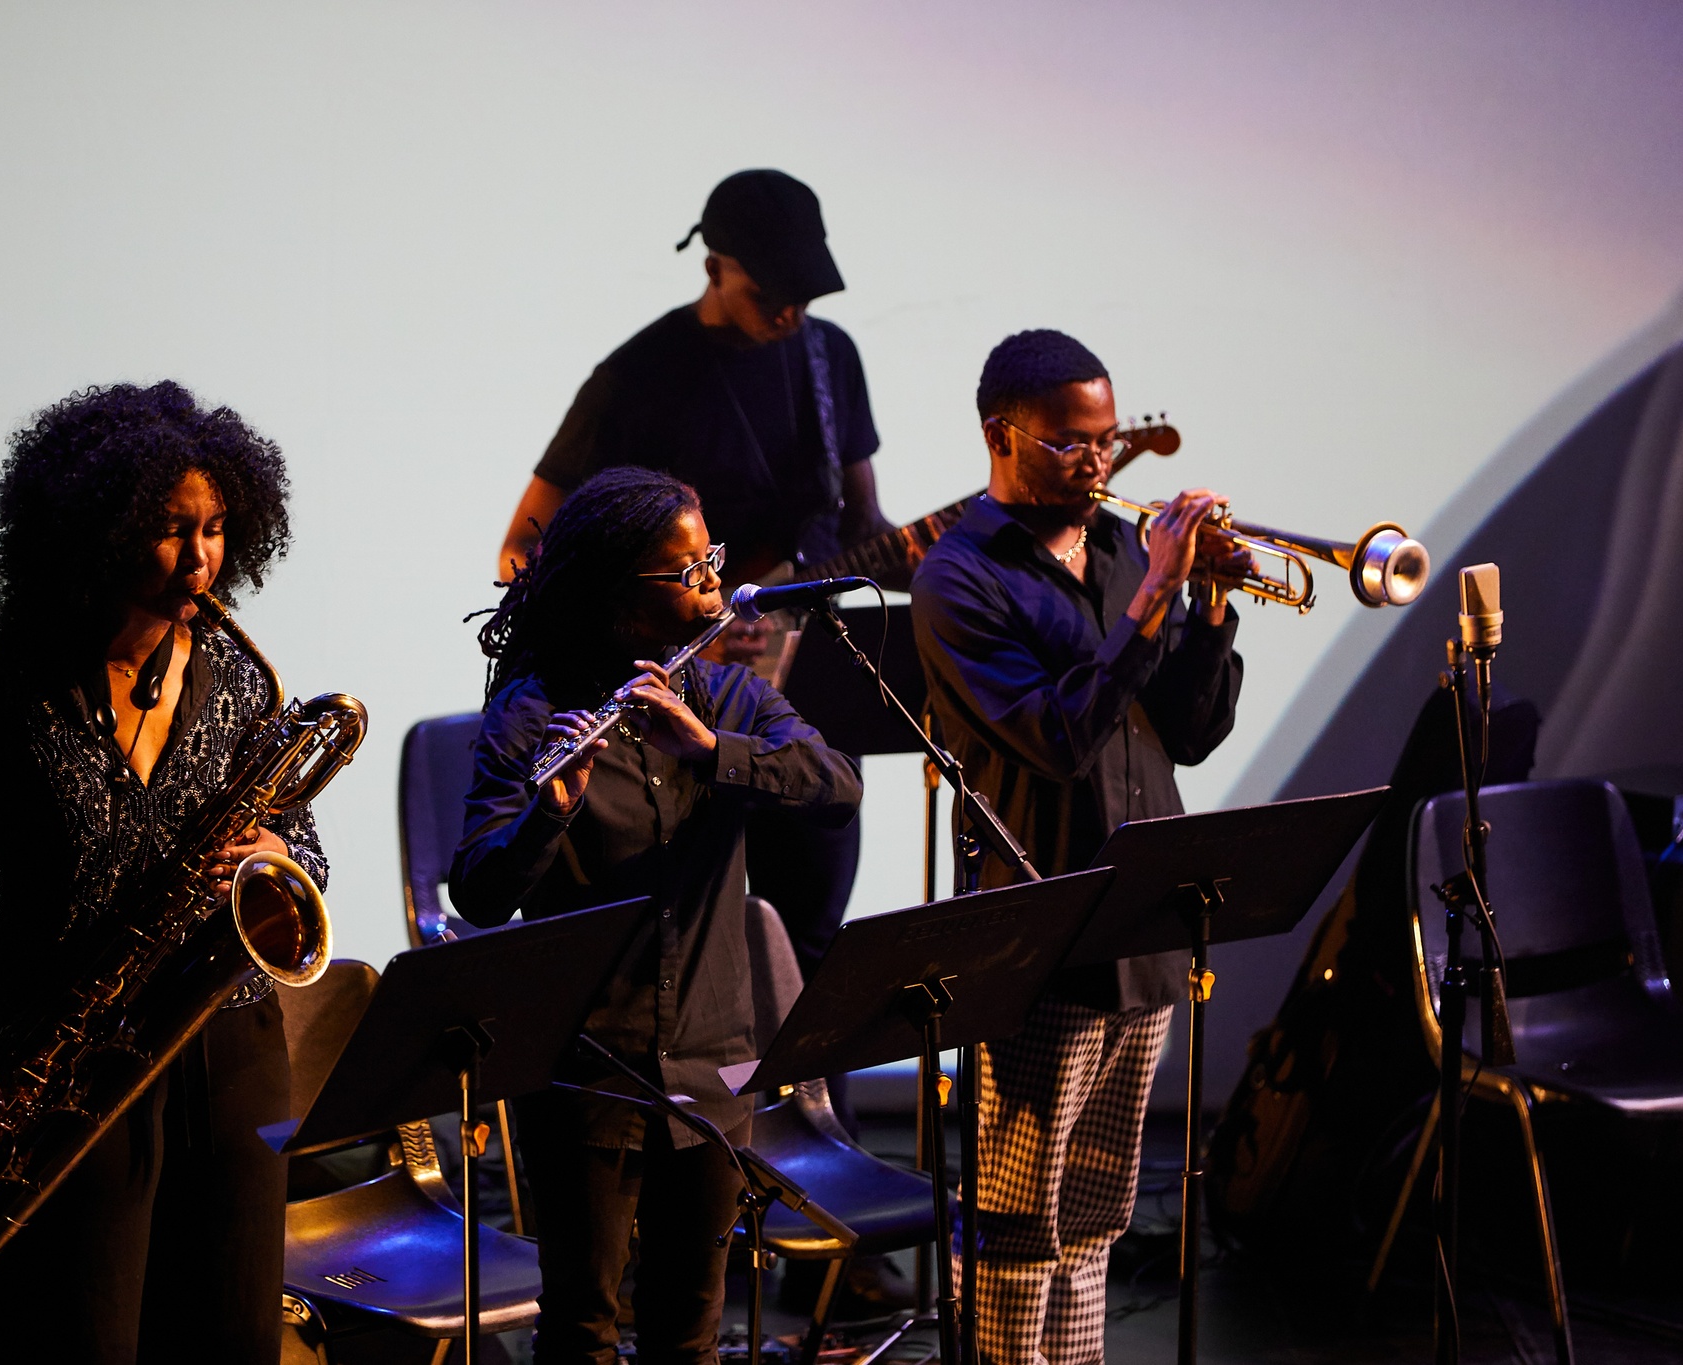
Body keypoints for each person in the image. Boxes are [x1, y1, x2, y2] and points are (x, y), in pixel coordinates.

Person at [0, 381, 326, 1365]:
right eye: (167, 529)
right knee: (73, 1340)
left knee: (231, 1341)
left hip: (230, 1052)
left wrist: (281, 861)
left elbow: (308, 855)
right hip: (60, 1063)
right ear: (92, 531)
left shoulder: (241, 681)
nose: (201, 559)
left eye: (217, 527)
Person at [496, 169, 894, 1149]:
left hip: (787, 706)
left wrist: (928, 557)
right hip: (670, 722)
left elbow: (861, 523)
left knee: (811, 953)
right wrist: (667, 626)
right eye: (772, 294)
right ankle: (670, 1190)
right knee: (681, 965)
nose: (792, 313)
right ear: (716, 266)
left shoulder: (825, 358)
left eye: (807, 294)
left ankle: (808, 1206)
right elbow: (522, 550)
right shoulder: (638, 375)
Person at [452, 466, 863, 1365]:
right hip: (589, 1070)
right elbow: (478, 890)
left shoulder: (727, 698)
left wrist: (714, 753)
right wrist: (546, 812)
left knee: (689, 1333)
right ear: (619, 599)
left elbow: (838, 785)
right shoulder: (530, 714)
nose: (713, 583)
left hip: (715, 1069)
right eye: (688, 571)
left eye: (709, 559)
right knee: (584, 1329)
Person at [909, 330, 1248, 1365]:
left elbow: (1186, 732)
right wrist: (1151, 600)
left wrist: (1209, 605)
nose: (1098, 464)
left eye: (1104, 441)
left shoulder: (1111, 549)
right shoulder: (958, 579)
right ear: (998, 437)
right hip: (1040, 940)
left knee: (1097, 1207)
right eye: (1069, 445)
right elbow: (1058, 741)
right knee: (1018, 1219)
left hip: (1140, 928)